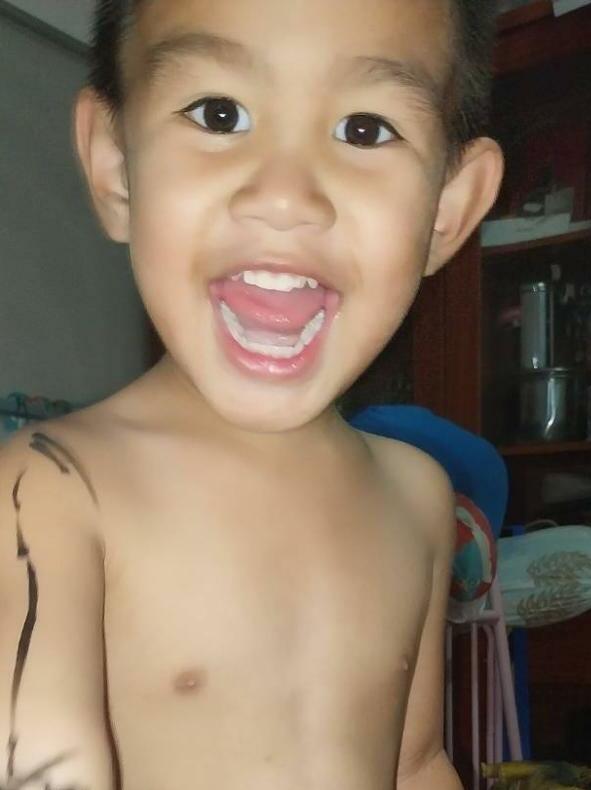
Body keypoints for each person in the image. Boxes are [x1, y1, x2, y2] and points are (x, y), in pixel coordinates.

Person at [0, 0, 504, 787]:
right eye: (219, 113)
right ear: (116, 168)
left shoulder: (416, 495)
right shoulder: (51, 490)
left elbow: (416, 762)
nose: (286, 196)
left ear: (447, 210)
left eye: (364, 129)